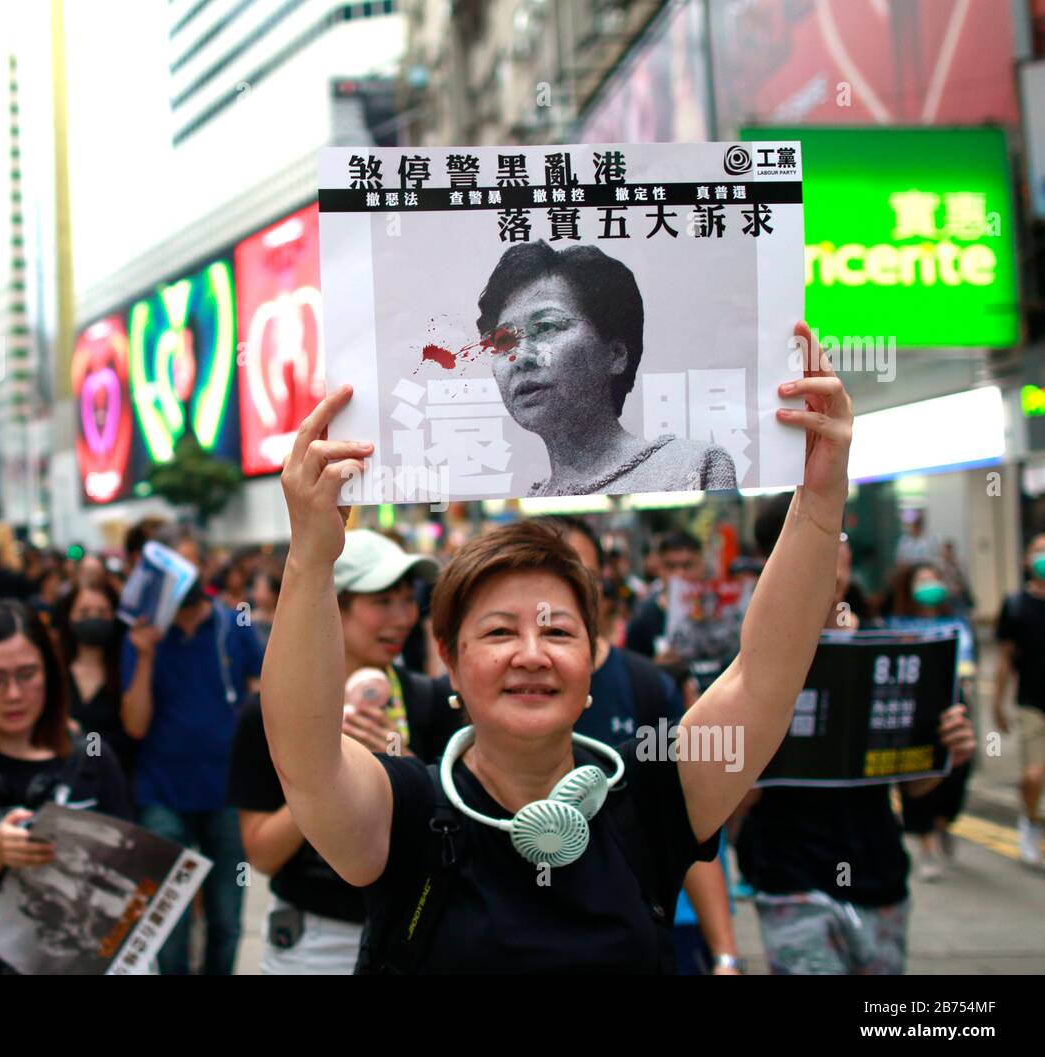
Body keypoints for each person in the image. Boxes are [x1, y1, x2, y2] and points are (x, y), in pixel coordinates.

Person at [262, 322, 851, 973]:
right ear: (449, 661)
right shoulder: (405, 815)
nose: (532, 653)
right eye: (499, 631)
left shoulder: (652, 798)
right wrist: (310, 558)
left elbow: (767, 673)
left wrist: (821, 500)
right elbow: (305, 755)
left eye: (559, 630)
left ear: (591, 660)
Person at [735, 536, 977, 975]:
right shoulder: (749, 659)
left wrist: (949, 753)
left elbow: (915, 785)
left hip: (877, 875)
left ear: (846, 574)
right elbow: (733, 804)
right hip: (792, 878)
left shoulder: (890, 651)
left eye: (834, 567)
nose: (824, 579)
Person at [228, 530, 455, 973]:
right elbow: (262, 855)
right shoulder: (271, 716)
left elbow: (455, 831)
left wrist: (402, 769)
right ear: (333, 605)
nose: (403, 617)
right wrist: (321, 772)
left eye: (409, 600)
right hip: (313, 939)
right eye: (382, 602)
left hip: (417, 926)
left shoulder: (431, 701)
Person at [550, 516, 743, 976]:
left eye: (581, 576)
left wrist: (725, 956)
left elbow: (687, 819)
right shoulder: (481, 696)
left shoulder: (645, 685)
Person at [0, 600, 132, 974]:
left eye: (27, 674)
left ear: (50, 675)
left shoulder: (92, 761)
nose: (13, 694)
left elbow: (133, 875)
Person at [475, 242, 737, 495]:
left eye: (546, 327)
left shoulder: (691, 467)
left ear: (616, 355)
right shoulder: (529, 503)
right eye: (503, 341)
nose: (520, 358)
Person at [121, 537, 264, 976]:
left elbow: (264, 694)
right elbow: (135, 725)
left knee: (226, 918)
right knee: (170, 923)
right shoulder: (143, 637)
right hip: (163, 793)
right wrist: (144, 657)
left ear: (204, 566)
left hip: (226, 793)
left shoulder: (233, 625)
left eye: (188, 563)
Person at [882, 561, 977, 881]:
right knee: (919, 772)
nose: (929, 585)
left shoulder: (956, 622)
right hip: (913, 708)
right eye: (921, 580)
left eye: (933, 579)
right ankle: (927, 844)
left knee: (958, 768)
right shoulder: (894, 623)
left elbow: (968, 663)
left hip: (954, 705)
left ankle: (942, 823)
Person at [994, 531, 1045, 867]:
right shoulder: (1015, 605)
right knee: (1033, 775)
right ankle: (1030, 821)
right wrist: (997, 703)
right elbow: (1005, 659)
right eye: (1039, 551)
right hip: (1031, 702)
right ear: (1027, 559)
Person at [54, 579, 135, 780]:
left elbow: (132, 732)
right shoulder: (54, 670)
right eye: (84, 612)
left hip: (114, 779)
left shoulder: (127, 671)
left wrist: (89, 745)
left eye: (102, 612)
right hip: (60, 779)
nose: (94, 619)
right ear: (69, 616)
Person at [623, 528, 705, 660]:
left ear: (701, 565)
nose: (680, 574)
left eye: (687, 565)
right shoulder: (643, 617)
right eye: (671, 567)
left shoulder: (716, 611)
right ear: (660, 569)